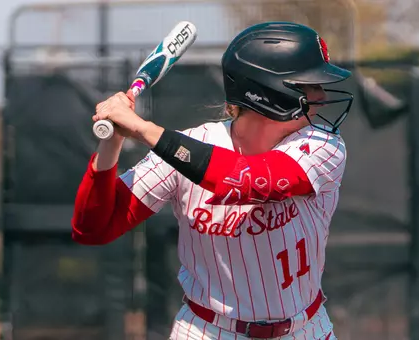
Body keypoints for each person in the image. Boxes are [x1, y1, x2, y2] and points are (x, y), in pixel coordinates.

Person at [72, 21, 354, 340]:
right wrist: (113, 140)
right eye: (308, 84)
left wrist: (142, 129)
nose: (321, 93)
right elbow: (93, 228)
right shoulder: (188, 148)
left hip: (305, 329)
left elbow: (253, 181)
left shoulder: (323, 145)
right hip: (208, 331)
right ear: (272, 94)